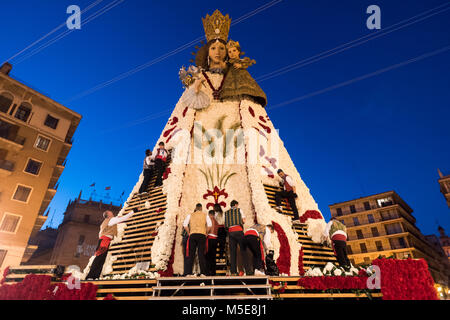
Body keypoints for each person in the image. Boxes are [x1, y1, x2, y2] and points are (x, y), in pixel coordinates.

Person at [86, 209, 136, 280]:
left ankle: (94, 276)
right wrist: (133, 211)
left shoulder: (107, 221)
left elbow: (121, 220)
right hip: (104, 241)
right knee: (99, 258)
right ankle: (90, 276)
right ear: (108, 215)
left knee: (101, 259)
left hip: (103, 240)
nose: (112, 213)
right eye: (111, 212)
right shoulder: (111, 220)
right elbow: (123, 218)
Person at [183, 203, 212, 276]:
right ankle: (203, 273)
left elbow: (185, 225)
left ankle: (189, 273)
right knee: (201, 254)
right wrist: (206, 233)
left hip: (193, 235)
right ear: (201, 208)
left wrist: (189, 232)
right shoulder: (205, 215)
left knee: (191, 254)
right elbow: (209, 225)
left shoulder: (190, 215)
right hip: (202, 235)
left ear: (196, 208)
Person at [224, 200, 247, 276]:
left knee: (232, 252)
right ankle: (246, 270)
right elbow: (243, 221)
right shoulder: (239, 210)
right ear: (236, 204)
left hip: (230, 232)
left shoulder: (226, 212)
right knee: (243, 250)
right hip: (239, 231)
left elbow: (225, 225)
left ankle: (233, 271)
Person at [205, 210, 219, 276]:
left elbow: (208, 229)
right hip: (215, 239)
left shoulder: (209, 220)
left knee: (207, 256)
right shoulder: (216, 221)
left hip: (210, 238)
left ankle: (207, 271)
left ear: (210, 214)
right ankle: (213, 272)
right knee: (213, 257)